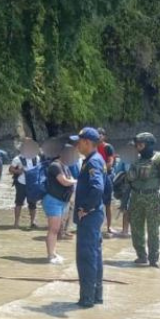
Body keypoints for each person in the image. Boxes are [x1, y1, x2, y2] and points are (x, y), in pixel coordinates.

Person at [71, 128, 106, 308]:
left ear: (87, 142)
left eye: (79, 141)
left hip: (90, 216)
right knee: (94, 255)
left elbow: (98, 188)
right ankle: (95, 295)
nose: (77, 145)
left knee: (86, 257)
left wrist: (86, 208)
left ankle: (87, 299)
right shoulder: (95, 160)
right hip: (95, 214)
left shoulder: (93, 162)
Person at [126, 133, 160, 268]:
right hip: (136, 197)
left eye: (141, 145)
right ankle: (141, 255)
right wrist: (124, 202)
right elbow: (129, 182)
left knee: (153, 230)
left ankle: (154, 258)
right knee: (136, 228)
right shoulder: (136, 161)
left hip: (152, 197)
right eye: (137, 145)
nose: (138, 148)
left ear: (149, 145)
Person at [43, 144, 76, 263]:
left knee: (58, 230)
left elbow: (70, 180)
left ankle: (54, 253)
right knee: (53, 229)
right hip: (53, 201)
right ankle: (50, 256)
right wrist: (78, 180)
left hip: (62, 201)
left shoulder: (65, 166)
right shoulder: (55, 165)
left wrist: (73, 181)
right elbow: (64, 181)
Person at [9, 138, 40, 229]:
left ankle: (33, 222)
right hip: (21, 183)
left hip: (32, 184)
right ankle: (16, 223)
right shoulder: (17, 158)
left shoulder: (36, 158)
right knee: (19, 203)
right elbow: (10, 170)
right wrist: (19, 171)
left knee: (33, 203)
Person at [97, 128, 116, 235]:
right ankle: (97, 226)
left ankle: (109, 227)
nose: (99, 136)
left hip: (107, 176)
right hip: (96, 177)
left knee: (107, 203)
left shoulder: (108, 147)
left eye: (101, 134)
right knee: (96, 202)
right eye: (97, 134)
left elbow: (110, 163)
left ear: (104, 136)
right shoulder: (93, 147)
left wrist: (99, 170)